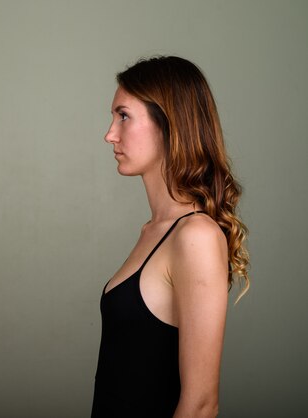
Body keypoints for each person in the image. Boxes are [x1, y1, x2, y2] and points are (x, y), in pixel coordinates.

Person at [91, 56, 249, 417]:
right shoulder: (153, 231)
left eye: (124, 116)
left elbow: (201, 404)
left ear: (168, 125)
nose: (110, 134)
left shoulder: (196, 236)